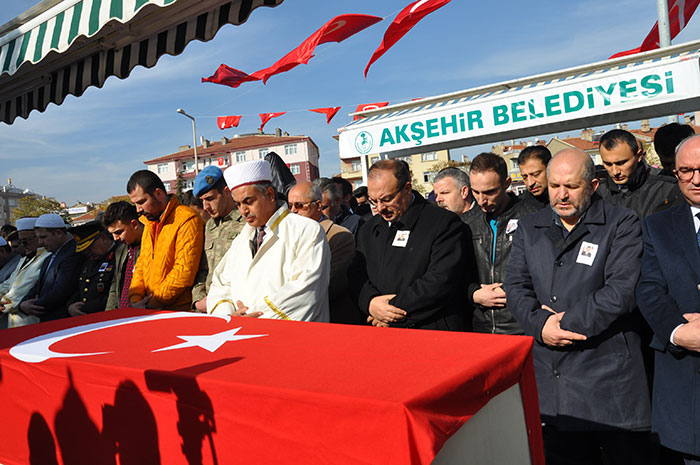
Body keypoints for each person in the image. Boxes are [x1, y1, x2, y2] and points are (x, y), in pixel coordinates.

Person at [506, 148, 651, 465]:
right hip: (552, 380)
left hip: (608, 377)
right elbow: (516, 286)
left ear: (594, 185)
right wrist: (540, 325)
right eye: (555, 185)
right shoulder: (530, 227)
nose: (561, 195)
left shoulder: (621, 223)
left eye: (571, 186)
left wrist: (566, 323)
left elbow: (621, 290)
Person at [348, 159, 472, 330]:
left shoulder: (443, 223)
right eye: (373, 201)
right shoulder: (368, 228)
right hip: (378, 330)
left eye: (387, 199)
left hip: (429, 331)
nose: (380, 207)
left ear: (407, 189)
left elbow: (440, 281)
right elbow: (356, 274)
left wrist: (389, 312)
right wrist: (370, 303)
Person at [637, 134, 700, 464]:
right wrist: (677, 331)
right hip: (684, 370)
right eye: (686, 171)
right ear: (675, 173)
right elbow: (649, 288)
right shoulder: (657, 226)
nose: (696, 179)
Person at [207, 160, 330, 321]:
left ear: (270, 194)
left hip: (290, 336)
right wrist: (229, 316)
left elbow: (305, 291)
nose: (243, 211)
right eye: (238, 204)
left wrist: (256, 320)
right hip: (243, 334)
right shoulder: (241, 241)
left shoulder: (307, 231)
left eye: (248, 202)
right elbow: (220, 285)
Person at [461, 152, 538, 334]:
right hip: (480, 326)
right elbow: (453, 275)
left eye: (489, 192)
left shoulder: (533, 218)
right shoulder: (465, 224)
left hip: (522, 324)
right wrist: (472, 293)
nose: (481, 200)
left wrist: (512, 291)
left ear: (507, 184)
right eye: (475, 192)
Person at [126, 170, 204, 311]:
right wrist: (135, 299)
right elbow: (141, 266)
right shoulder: (148, 223)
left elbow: (183, 272)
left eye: (142, 202)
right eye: (135, 204)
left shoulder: (186, 219)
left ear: (158, 194)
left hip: (178, 313)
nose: (138, 209)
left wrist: (151, 304)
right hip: (149, 310)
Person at [289, 181, 361, 324]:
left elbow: (330, 285)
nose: (293, 211)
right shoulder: (287, 235)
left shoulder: (340, 236)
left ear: (318, 206)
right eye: (290, 206)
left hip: (328, 320)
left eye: (299, 205)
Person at [190, 166, 244, 312]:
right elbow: (202, 269)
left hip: (233, 306)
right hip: (207, 308)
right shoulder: (210, 226)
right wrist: (197, 300)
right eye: (202, 201)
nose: (205, 206)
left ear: (226, 192)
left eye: (210, 199)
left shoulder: (245, 223)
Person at [597, 128, 681, 219]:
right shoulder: (596, 194)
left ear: (639, 156)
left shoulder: (667, 189)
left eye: (621, 163)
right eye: (608, 164)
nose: (615, 171)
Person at [20, 213, 85, 321]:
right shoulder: (49, 258)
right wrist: (23, 303)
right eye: (38, 238)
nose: (40, 242)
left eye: (43, 237)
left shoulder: (73, 253)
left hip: (62, 320)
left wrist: (34, 304)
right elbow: (38, 286)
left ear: (59, 233)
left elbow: (60, 292)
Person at [66, 221, 123, 316]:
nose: (87, 252)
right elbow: (79, 288)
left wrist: (85, 308)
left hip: (107, 314)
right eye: (84, 249)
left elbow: (116, 292)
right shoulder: (88, 262)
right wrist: (71, 306)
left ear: (104, 238)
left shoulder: (118, 256)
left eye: (89, 247)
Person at [0, 218, 50, 327]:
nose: (23, 245)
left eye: (25, 241)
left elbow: (19, 291)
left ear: (37, 237)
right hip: (14, 322)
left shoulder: (46, 258)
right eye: (21, 241)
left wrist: (4, 304)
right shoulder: (24, 260)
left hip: (30, 322)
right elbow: (7, 285)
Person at [102, 201, 144, 310]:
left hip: (145, 312)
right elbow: (115, 286)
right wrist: (109, 315)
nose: (115, 238)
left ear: (134, 224)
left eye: (119, 232)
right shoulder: (120, 249)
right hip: (123, 314)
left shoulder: (152, 245)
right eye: (112, 233)